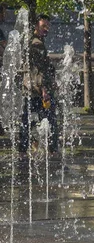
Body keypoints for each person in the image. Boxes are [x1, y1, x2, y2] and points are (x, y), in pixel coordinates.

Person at [19, 14, 58, 154]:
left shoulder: (31, 40)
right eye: (43, 26)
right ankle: (52, 151)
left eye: (48, 26)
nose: (46, 29)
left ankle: (25, 149)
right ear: (36, 26)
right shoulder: (37, 44)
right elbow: (39, 70)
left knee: (27, 121)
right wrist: (44, 90)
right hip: (38, 90)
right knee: (50, 121)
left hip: (29, 88)